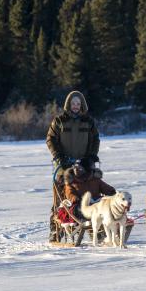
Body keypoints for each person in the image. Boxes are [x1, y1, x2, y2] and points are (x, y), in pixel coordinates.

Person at [46, 90, 101, 241]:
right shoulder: (59, 121)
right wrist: (58, 156)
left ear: (82, 105)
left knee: (89, 197)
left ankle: (95, 230)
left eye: (78, 104)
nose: (76, 106)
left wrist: (91, 156)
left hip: (84, 165)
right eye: (73, 103)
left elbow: (95, 139)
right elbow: (50, 139)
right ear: (68, 105)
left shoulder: (88, 122)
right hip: (63, 166)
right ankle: (56, 232)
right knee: (60, 200)